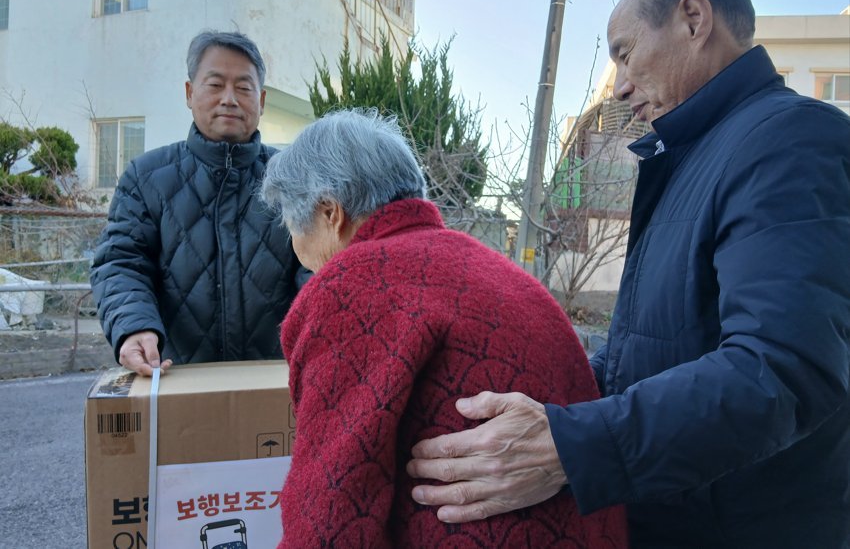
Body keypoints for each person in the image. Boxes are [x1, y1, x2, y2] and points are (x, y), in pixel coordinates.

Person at [405, 0, 850, 547]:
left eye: (624, 52)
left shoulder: (788, 140)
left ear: (694, 20)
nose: (619, 86)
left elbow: (781, 369)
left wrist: (570, 447)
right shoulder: (689, 159)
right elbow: (649, 351)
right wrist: (547, 397)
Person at [260, 109, 628, 547]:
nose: (296, 247)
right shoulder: (490, 267)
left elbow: (331, 510)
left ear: (330, 213)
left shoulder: (353, 284)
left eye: (292, 227)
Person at [90, 30, 302, 377]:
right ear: (190, 93)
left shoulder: (294, 178)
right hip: (174, 378)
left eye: (244, 87)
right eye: (215, 84)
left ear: (261, 100)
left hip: (279, 380)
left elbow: (321, 268)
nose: (229, 99)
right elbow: (121, 262)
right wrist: (133, 326)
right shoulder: (147, 177)